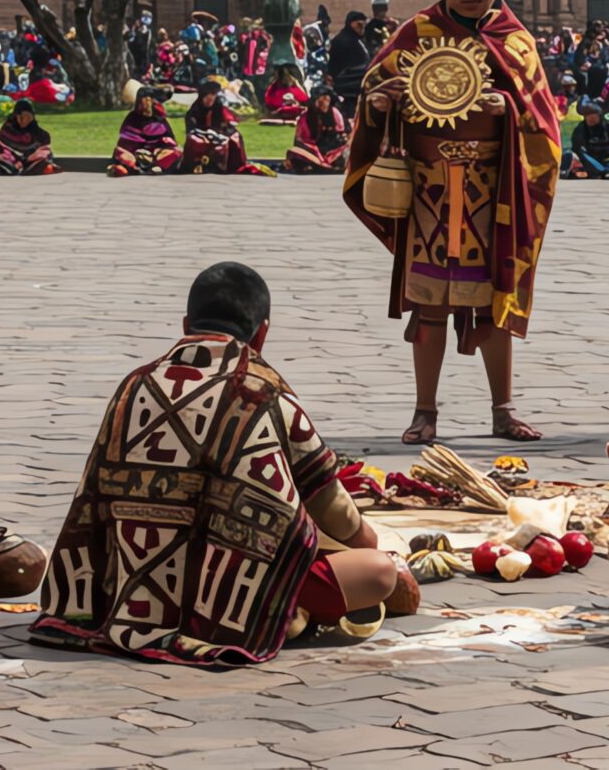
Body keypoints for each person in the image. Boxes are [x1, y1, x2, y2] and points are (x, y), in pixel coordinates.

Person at [29, 262, 419, 664]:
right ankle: (286, 616)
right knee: (378, 572)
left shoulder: (134, 385)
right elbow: (330, 504)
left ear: (186, 324)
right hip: (228, 601)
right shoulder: (266, 392)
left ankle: (283, 614)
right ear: (262, 332)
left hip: (125, 593)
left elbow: (91, 499)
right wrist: (371, 542)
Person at [344, 0, 563, 445]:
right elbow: (370, 96)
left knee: (495, 300)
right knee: (429, 303)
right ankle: (425, 412)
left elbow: (545, 123)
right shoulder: (416, 34)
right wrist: (380, 101)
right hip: (429, 192)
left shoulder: (515, 42)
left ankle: (503, 410)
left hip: (495, 190)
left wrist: (507, 111)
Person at [179, 77, 268, 175]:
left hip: (219, 137)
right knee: (194, 140)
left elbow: (227, 124)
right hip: (202, 138)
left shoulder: (219, 108)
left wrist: (224, 131)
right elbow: (191, 131)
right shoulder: (194, 112)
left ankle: (234, 165)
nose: (210, 101)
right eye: (207, 98)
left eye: (212, 97)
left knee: (235, 137)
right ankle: (197, 165)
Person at [110, 85, 182, 175]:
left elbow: (169, 139)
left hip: (156, 153)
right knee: (120, 152)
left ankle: (157, 166)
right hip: (136, 153)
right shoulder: (132, 117)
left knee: (176, 152)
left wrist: (158, 149)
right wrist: (140, 151)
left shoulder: (159, 118)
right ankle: (130, 167)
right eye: (144, 99)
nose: (147, 102)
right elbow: (126, 140)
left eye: (149, 99)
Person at [284, 85, 351, 173]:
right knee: (294, 152)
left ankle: (327, 166)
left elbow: (343, 134)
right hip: (312, 153)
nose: (324, 103)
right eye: (321, 100)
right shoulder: (305, 117)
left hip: (332, 153)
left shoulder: (335, 113)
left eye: (327, 100)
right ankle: (319, 166)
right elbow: (300, 141)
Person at [566, 99, 609, 179]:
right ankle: (602, 171)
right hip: (587, 162)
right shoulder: (580, 130)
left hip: (607, 162)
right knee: (570, 155)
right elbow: (578, 151)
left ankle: (607, 171)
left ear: (599, 115)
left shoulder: (608, 129)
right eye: (588, 115)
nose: (591, 117)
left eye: (594, 114)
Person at [0, 100, 55, 176]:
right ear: (16, 116)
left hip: (30, 159)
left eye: (28, 117)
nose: (24, 121)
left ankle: (30, 167)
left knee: (45, 154)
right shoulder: (8, 129)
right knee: (3, 156)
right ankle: (10, 167)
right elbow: (2, 144)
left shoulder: (40, 134)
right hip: (11, 158)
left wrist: (29, 157)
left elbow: (43, 146)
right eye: (21, 117)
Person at [324, 11, 371, 100]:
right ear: (350, 23)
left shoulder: (357, 40)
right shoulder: (342, 40)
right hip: (345, 87)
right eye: (359, 24)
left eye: (363, 25)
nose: (361, 28)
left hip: (357, 85)